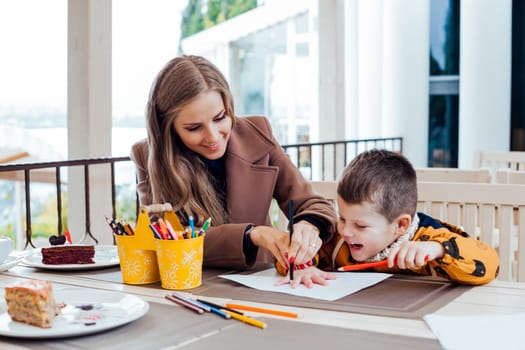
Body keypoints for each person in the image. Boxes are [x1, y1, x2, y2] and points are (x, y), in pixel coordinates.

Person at [130, 55, 337, 271]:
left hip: (260, 281)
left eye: (220, 118)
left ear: (229, 107)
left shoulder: (257, 134)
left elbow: (314, 205)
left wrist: (309, 224)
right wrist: (251, 235)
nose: (213, 137)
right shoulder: (146, 155)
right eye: (194, 128)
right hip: (190, 284)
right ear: (168, 129)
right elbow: (165, 240)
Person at [278, 149, 499, 286]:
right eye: (342, 218)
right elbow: (289, 258)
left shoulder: (429, 240)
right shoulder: (338, 243)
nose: (345, 231)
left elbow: (490, 265)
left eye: (361, 225)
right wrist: (301, 265)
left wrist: (438, 250)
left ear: (401, 225)